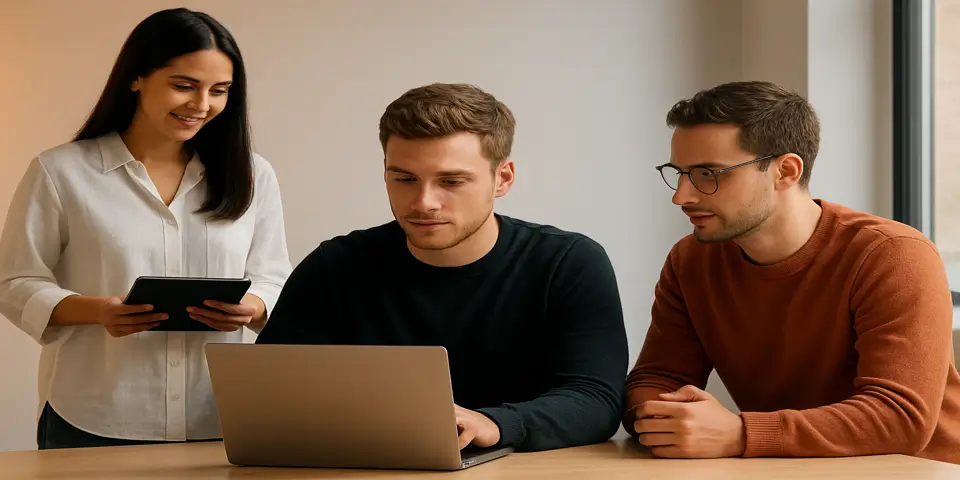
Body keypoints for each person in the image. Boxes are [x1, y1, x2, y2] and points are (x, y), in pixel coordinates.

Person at [255, 82, 629, 452]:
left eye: (451, 181)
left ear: (503, 178)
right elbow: (267, 390)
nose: (424, 202)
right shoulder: (334, 266)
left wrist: (496, 423)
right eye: (404, 179)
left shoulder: (568, 263)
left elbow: (595, 399)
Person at [622, 80, 960, 464]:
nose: (681, 196)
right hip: (784, 470)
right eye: (679, 173)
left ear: (785, 171)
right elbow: (656, 379)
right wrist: (666, 418)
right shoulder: (691, 261)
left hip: (917, 472)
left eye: (708, 174)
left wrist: (739, 434)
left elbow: (901, 419)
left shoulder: (892, 255)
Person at [0, 8, 291, 449]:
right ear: (136, 78)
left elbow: (273, 275)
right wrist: (96, 310)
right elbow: (14, 280)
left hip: (219, 416)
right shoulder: (61, 172)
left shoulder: (253, 174)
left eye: (220, 90)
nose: (202, 105)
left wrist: (251, 307)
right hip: (94, 417)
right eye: (184, 86)